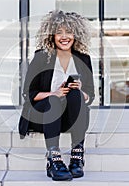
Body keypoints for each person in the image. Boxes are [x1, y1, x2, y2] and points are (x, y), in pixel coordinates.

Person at [19, 10, 95, 181]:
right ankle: (54, 158)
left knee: (75, 93)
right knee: (54, 100)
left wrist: (81, 90)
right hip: (43, 115)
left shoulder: (83, 58)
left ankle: (77, 155)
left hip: (70, 117)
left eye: (68, 32)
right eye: (59, 32)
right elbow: (28, 94)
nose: (64, 36)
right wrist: (54, 93)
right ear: (51, 35)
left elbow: (91, 96)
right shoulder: (41, 57)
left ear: (76, 35)